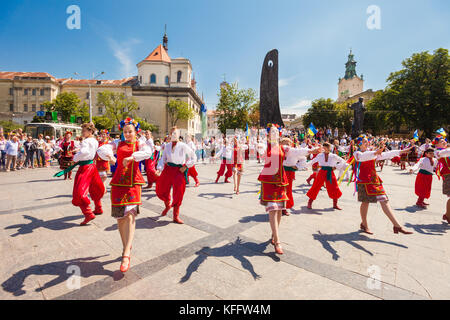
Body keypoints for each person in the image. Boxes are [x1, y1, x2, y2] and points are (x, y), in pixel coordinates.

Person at [97, 118, 152, 273]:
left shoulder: (139, 144)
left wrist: (132, 157)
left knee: (129, 216)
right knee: (120, 218)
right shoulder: (117, 144)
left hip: (133, 182)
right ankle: (125, 247)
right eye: (125, 131)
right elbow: (101, 150)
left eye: (130, 132)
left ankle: (126, 254)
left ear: (136, 132)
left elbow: (148, 153)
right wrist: (111, 156)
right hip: (118, 183)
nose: (127, 134)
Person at [354, 135, 413, 235]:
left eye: (367, 141)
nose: (367, 143)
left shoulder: (372, 153)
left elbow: (386, 154)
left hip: (375, 180)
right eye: (364, 141)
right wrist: (376, 152)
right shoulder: (357, 153)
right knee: (365, 202)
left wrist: (401, 151)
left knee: (384, 200)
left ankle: (397, 225)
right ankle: (364, 224)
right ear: (359, 144)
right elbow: (363, 157)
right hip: (364, 181)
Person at [54, 123, 106, 225]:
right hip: (92, 166)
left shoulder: (86, 141)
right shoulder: (95, 140)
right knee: (94, 187)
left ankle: (88, 213)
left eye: (84, 131)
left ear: (90, 131)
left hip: (85, 168)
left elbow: (84, 152)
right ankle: (98, 208)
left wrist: (75, 157)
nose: (82, 133)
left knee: (79, 191)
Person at [258, 124, 288, 255]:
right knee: (273, 210)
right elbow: (263, 155)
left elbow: (297, 152)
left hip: (280, 182)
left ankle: (273, 235)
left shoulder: (282, 146)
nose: (275, 133)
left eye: (277, 131)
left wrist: (312, 151)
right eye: (272, 132)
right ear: (268, 134)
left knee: (280, 210)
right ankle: (277, 241)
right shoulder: (265, 146)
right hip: (269, 183)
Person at [156, 126, 196, 224]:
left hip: (178, 171)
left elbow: (193, 156)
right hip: (168, 170)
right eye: (172, 133)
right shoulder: (167, 145)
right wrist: (159, 169)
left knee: (178, 193)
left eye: (175, 133)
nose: (173, 135)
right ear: (169, 135)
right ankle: (167, 206)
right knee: (162, 190)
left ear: (178, 135)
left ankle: (175, 216)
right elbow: (163, 158)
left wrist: (186, 166)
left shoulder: (183, 145)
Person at [280, 137, 318, 214]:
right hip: (279, 171)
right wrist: (310, 151)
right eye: (285, 142)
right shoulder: (280, 150)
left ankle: (284, 208)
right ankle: (278, 207)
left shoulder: (293, 151)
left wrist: (297, 166)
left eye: (288, 143)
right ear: (281, 144)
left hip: (289, 172)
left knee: (287, 190)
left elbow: (303, 159)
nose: (287, 144)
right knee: (279, 190)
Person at [306, 143, 346, 210]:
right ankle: (309, 202)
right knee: (316, 186)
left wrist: (336, 167)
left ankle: (335, 204)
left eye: (327, 147)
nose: (325, 148)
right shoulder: (320, 155)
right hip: (322, 172)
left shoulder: (333, 156)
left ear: (330, 148)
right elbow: (313, 161)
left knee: (334, 187)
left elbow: (342, 161)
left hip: (330, 172)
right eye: (324, 147)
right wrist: (304, 165)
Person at [434, 137, 450, 224]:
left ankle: (447, 215)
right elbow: (446, 153)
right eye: (441, 141)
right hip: (448, 175)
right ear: (436, 144)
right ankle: (448, 215)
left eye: (444, 140)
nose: (444, 142)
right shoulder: (437, 152)